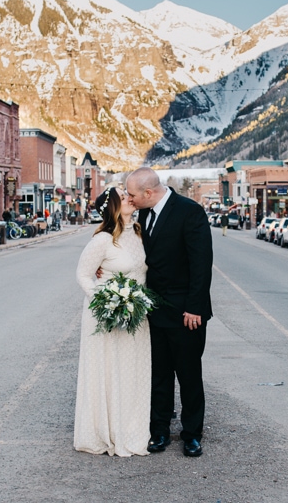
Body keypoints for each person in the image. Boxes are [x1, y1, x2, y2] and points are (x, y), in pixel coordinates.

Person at [125, 167, 213, 458]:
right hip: (154, 310)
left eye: (132, 194)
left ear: (148, 193)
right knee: (158, 375)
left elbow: (201, 263)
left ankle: (192, 435)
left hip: (186, 313)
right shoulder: (144, 214)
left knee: (188, 375)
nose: (130, 199)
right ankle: (159, 431)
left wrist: (195, 307)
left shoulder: (190, 212)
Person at [74, 187, 151, 457]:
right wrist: (107, 302)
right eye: (124, 196)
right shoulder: (102, 240)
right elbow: (84, 275)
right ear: (113, 207)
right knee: (108, 370)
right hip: (107, 316)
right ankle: (105, 430)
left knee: (133, 371)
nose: (131, 197)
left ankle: (131, 427)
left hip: (137, 315)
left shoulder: (141, 233)